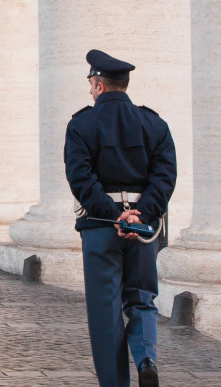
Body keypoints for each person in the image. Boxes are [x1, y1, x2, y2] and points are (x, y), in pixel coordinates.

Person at [64, 49, 177, 387]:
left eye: (90, 83)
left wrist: (115, 216)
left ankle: (115, 383)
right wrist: (141, 213)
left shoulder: (81, 124)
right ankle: (146, 358)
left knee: (105, 310)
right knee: (142, 297)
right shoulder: (154, 123)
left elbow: (81, 178)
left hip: (102, 227)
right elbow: (165, 176)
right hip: (143, 226)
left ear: (98, 85)